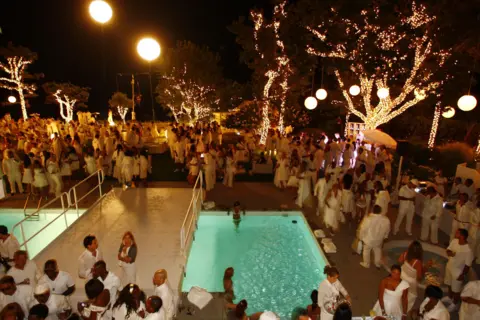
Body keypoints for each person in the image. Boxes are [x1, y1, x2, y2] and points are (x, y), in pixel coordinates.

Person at [443, 228, 474, 312]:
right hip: (449, 267)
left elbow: (467, 265)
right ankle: (450, 297)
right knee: (449, 284)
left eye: (457, 233)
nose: (455, 233)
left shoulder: (468, 250)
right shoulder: (454, 241)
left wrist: (462, 275)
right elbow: (448, 249)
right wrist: (449, 252)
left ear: (462, 236)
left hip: (458, 272)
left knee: (456, 290)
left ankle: (455, 304)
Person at [398, 241, 432, 312]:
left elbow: (399, 261)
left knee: (401, 290)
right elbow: (419, 277)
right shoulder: (417, 262)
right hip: (409, 281)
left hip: (402, 276)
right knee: (410, 294)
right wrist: (426, 266)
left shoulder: (405, 254)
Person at [358, 205, 391, 269]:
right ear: (380, 211)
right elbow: (388, 229)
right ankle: (377, 263)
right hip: (379, 240)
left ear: (372, 210)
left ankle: (366, 263)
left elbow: (363, 229)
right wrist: (385, 236)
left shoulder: (368, 219)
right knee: (377, 250)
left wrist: (360, 237)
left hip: (368, 239)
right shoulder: (386, 219)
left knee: (366, 251)